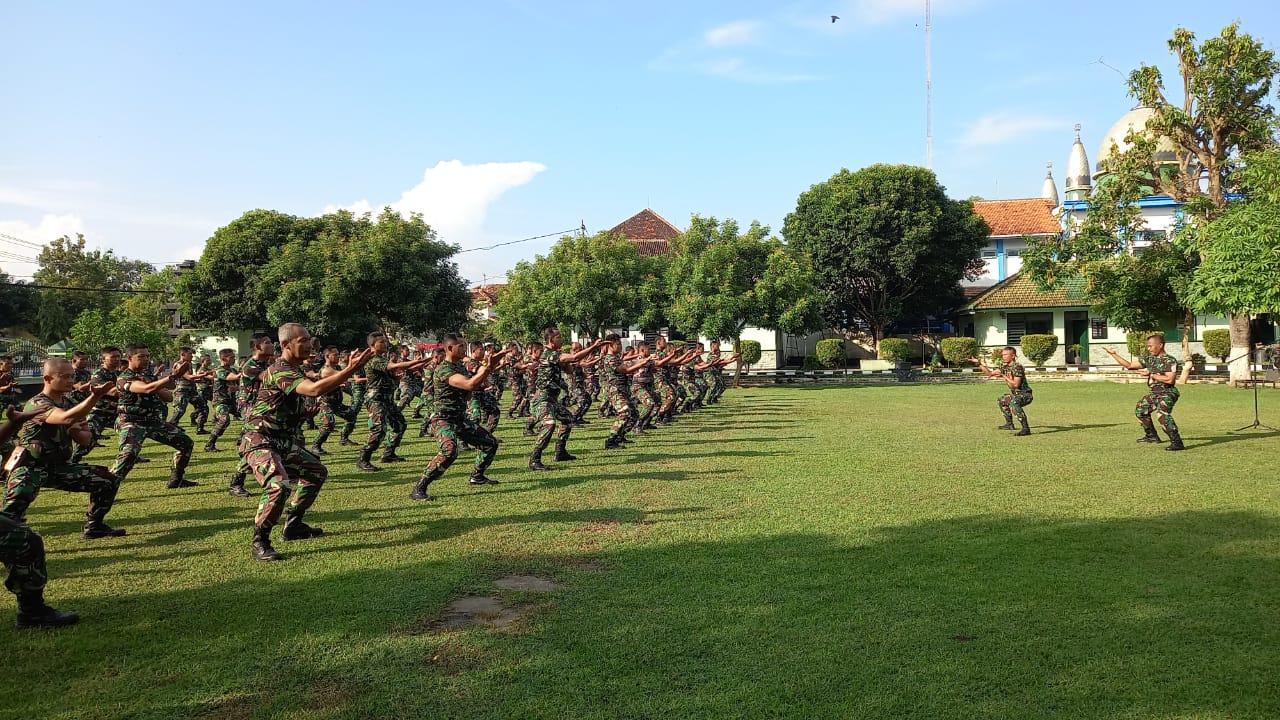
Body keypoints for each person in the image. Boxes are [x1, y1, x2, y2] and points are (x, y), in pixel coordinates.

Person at [242, 323, 374, 561]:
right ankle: (260, 540)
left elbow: (295, 402)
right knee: (278, 485)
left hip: (282, 440)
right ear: (286, 345)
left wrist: (305, 413)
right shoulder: (280, 369)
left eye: (309, 339)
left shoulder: (295, 370)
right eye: (302, 340)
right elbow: (313, 390)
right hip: (260, 439)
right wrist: (352, 368)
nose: (309, 344)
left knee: (316, 472)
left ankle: (293, 526)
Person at [2, 358, 124, 538]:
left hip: (59, 467)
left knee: (107, 480)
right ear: (48, 378)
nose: (70, 381)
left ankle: (95, 526)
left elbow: (86, 440)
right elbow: (65, 418)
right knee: (14, 505)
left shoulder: (68, 403)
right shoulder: (37, 403)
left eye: (72, 376)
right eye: (64, 376)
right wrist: (95, 396)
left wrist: (76, 433)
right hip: (30, 466)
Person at [410, 334, 510, 501]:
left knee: (490, 443)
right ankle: (419, 488)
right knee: (449, 451)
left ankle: (477, 476)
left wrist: (484, 371)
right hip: (443, 419)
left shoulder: (460, 368)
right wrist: (487, 367)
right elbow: (470, 384)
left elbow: (469, 391)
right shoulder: (444, 369)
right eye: (461, 346)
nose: (465, 349)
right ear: (450, 348)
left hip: (459, 418)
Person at [111, 345, 196, 488]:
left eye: (147, 356)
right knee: (129, 454)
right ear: (130, 358)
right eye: (141, 357)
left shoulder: (148, 375)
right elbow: (146, 389)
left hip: (152, 421)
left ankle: (176, 479)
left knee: (186, 443)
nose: (146, 359)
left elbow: (169, 397)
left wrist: (153, 384)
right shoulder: (124, 377)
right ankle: (106, 487)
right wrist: (172, 376)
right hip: (131, 421)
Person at [528, 330, 603, 470]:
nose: (561, 339)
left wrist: (566, 363)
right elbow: (574, 357)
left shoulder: (556, 355)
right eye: (558, 337)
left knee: (568, 419)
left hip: (552, 399)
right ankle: (534, 459)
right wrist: (593, 347)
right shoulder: (549, 353)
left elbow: (569, 370)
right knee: (549, 423)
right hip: (542, 399)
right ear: (550, 340)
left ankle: (560, 452)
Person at [358, 333, 429, 472]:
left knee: (400, 425)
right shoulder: (374, 359)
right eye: (382, 342)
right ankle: (363, 459)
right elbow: (393, 367)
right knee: (379, 430)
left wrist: (397, 378)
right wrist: (413, 363)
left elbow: (392, 376)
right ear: (373, 345)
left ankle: (388, 454)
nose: (386, 344)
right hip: (376, 399)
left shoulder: (382, 359)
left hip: (387, 399)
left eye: (385, 342)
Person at [1102, 335, 1185, 451]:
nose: (1149, 349)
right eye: (1148, 346)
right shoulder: (1149, 359)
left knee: (1162, 415)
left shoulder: (1169, 360)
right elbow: (1129, 365)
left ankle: (1177, 442)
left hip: (1168, 392)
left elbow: (1170, 380)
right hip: (1154, 393)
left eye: (1151, 346)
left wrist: (1151, 375)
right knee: (1140, 410)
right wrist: (1113, 354)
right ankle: (1151, 436)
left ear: (1160, 345)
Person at [310, 346, 358, 455]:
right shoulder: (326, 370)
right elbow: (344, 375)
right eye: (335, 355)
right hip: (325, 402)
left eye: (338, 354)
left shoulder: (337, 367)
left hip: (336, 402)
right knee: (329, 424)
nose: (338, 356)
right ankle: (316, 446)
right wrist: (354, 362)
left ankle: (344, 439)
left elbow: (342, 380)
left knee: (351, 416)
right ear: (327, 356)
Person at [976, 347, 1034, 436]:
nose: (1003, 357)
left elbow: (1016, 385)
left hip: (1026, 395)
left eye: (1006, 355)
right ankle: (1009, 424)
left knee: (1013, 403)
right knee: (1002, 400)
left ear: (1013, 356)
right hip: (1016, 394)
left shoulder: (1017, 367)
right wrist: (978, 363)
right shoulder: (1005, 367)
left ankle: (1026, 429)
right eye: (1003, 355)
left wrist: (1004, 376)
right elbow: (989, 373)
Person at [203, 349, 242, 455]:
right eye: (231, 357)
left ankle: (242, 440)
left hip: (232, 402)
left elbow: (240, 382)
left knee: (250, 418)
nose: (234, 359)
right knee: (225, 420)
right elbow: (231, 377)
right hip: (221, 402)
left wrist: (238, 387)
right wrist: (243, 373)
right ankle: (209, 444)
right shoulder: (219, 370)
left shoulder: (233, 370)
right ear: (223, 359)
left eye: (234, 356)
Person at [167, 346, 211, 434]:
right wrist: (203, 375)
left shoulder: (189, 364)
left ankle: (200, 428)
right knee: (180, 410)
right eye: (190, 354)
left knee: (203, 407)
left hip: (191, 390)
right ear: (183, 354)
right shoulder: (179, 364)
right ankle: (170, 427)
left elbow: (189, 378)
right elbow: (188, 376)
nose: (192, 356)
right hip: (182, 391)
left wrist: (197, 380)